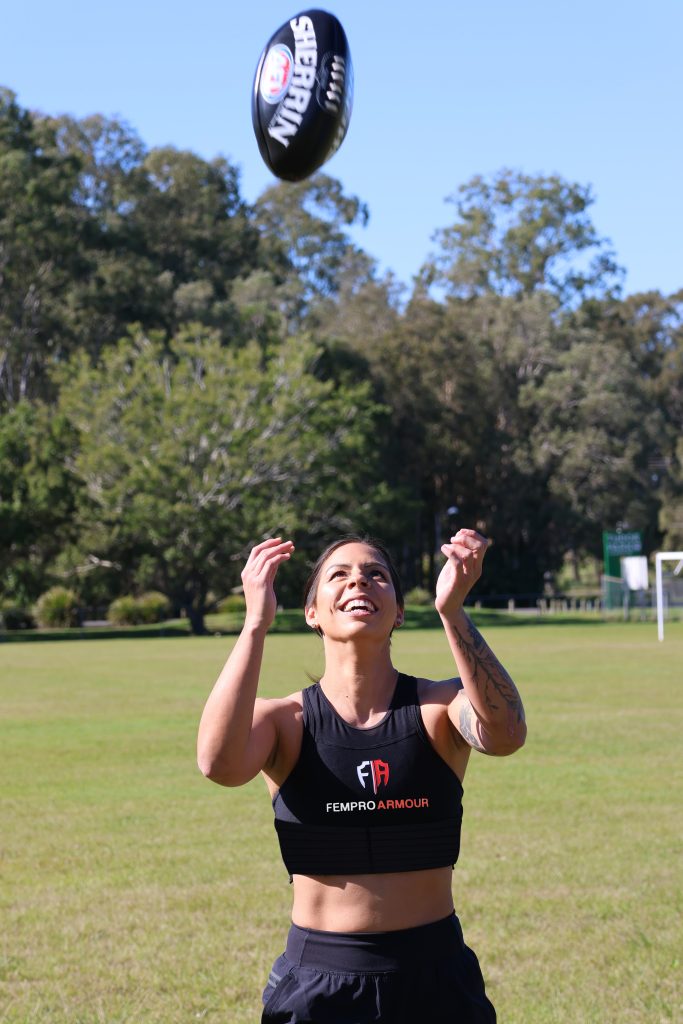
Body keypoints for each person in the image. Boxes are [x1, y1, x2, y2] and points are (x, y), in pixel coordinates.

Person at [197, 530, 526, 1023]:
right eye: (339, 575)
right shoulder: (285, 722)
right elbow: (218, 765)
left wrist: (452, 610)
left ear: (398, 611)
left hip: (435, 978)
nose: (359, 582)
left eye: (377, 575)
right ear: (312, 613)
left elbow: (506, 734)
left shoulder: (438, 708)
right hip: (319, 983)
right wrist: (254, 624)